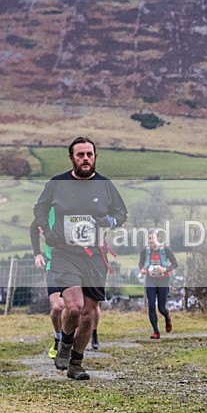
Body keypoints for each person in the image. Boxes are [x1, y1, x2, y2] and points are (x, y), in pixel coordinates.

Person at [33, 136, 127, 380]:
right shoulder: (57, 183)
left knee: (88, 312)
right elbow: (39, 209)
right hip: (65, 253)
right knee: (72, 307)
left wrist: (111, 221)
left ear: (95, 157)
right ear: (72, 158)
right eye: (80, 155)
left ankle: (76, 362)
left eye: (89, 154)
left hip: (95, 256)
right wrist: (47, 230)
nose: (85, 159)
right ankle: (64, 343)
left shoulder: (105, 185)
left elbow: (121, 212)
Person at [31, 216, 102, 357]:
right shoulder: (52, 210)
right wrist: (37, 254)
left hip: (80, 266)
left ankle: (71, 344)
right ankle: (59, 338)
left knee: (78, 309)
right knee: (58, 306)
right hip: (55, 265)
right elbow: (34, 227)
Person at [138, 228, 179, 339]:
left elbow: (175, 264)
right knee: (151, 306)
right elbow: (140, 264)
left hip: (163, 280)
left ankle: (167, 317)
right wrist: (142, 270)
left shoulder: (165, 249)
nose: (151, 240)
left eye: (153, 238)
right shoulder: (145, 251)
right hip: (150, 279)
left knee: (161, 308)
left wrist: (165, 269)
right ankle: (156, 332)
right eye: (149, 238)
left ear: (158, 238)